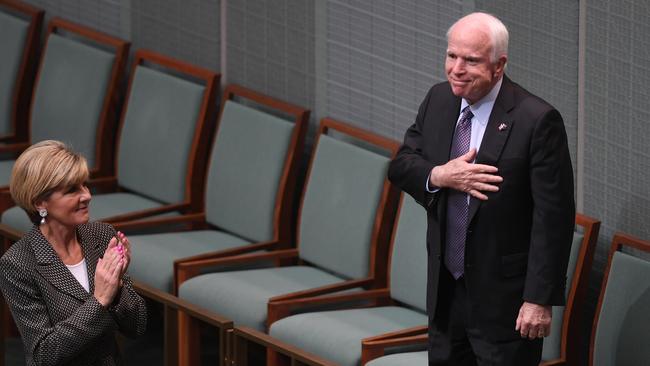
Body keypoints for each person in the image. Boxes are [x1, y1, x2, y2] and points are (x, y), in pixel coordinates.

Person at [388, 12, 575, 365]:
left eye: (471, 60)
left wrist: (538, 299)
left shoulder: (536, 121)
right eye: (451, 56)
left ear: (498, 65)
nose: (456, 68)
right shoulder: (439, 100)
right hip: (446, 294)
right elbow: (401, 165)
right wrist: (441, 175)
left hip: (505, 304)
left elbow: (554, 217)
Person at [0, 140, 147, 365]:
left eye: (84, 185)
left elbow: (137, 326)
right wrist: (99, 301)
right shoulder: (18, 264)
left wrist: (116, 287)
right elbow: (43, 355)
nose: (87, 195)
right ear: (40, 203)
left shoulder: (101, 235)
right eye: (72, 190)